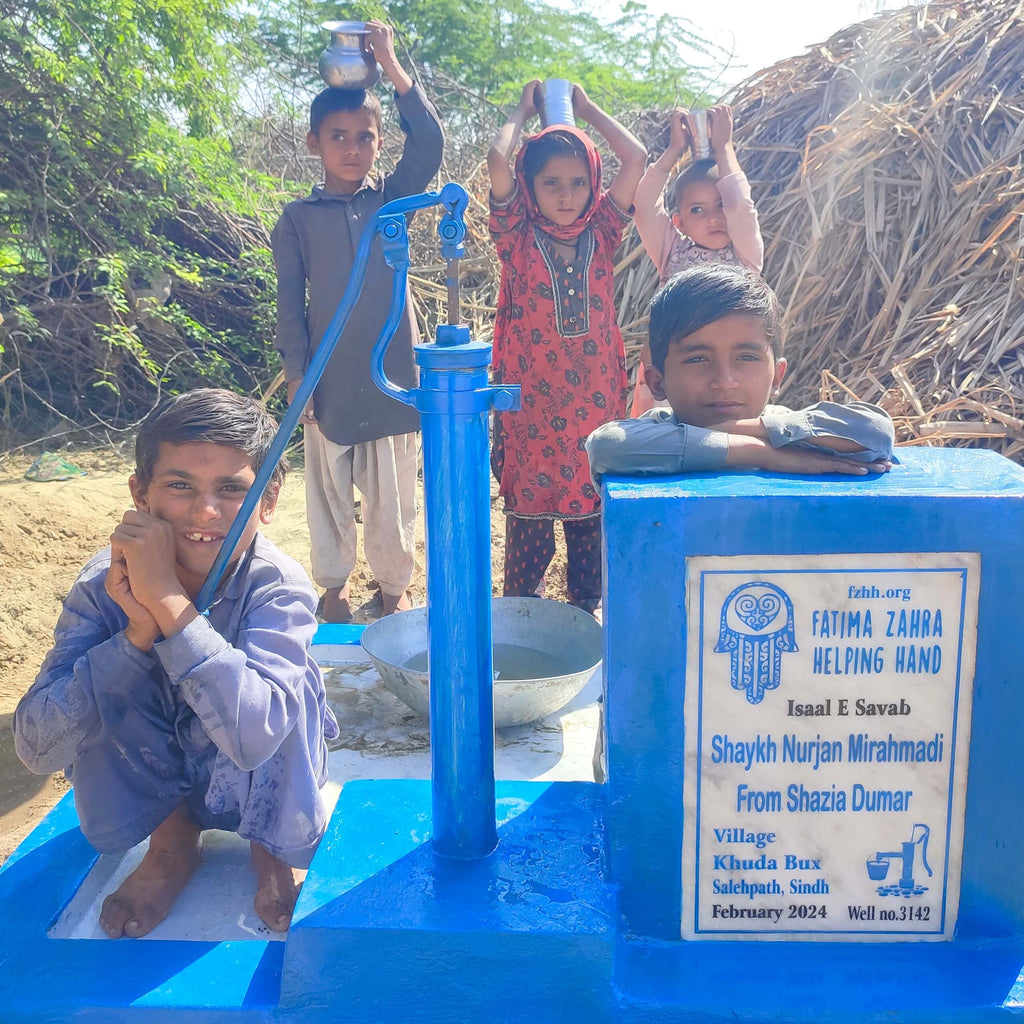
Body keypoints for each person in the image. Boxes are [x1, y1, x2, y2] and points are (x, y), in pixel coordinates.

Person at [13, 389, 339, 939]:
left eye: (232, 489)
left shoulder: (277, 585)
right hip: (159, 769)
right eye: (179, 485)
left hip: (249, 764)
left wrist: (167, 602)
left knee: (284, 691)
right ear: (140, 494)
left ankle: (269, 845)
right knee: (108, 672)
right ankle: (170, 843)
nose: (205, 512)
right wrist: (135, 636)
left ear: (269, 499)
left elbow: (255, 735)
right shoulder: (101, 586)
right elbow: (36, 746)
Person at [272, 19, 444, 622]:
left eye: (365, 137)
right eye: (338, 136)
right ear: (314, 142)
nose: (352, 148)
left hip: (395, 369)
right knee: (326, 491)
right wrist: (299, 376)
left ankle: (394, 591)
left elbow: (427, 144)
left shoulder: (391, 200)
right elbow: (290, 305)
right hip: (328, 375)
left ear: (378, 143)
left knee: (394, 496)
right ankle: (334, 590)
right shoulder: (297, 219)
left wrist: (391, 64)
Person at [487, 79, 646, 614]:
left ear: (593, 186)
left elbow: (636, 157)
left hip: (593, 401)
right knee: (529, 512)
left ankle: (587, 612)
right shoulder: (516, 235)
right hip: (532, 403)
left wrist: (588, 109)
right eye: (551, 181)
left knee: (590, 505)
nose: (565, 194)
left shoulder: (602, 231)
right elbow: (495, 158)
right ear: (530, 184)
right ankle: (522, 619)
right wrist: (521, 108)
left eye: (578, 183)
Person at [586, 264, 894, 481]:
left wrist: (759, 434)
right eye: (697, 359)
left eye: (746, 357)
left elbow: (876, 433)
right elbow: (606, 446)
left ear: (777, 376)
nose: (724, 381)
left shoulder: (785, 429)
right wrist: (759, 453)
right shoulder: (657, 430)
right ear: (657, 382)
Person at [630, 104, 763, 416]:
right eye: (697, 210)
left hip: (724, 383)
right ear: (679, 221)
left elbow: (741, 205)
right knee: (659, 450)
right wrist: (674, 150)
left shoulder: (745, 257)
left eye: (720, 205)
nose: (714, 217)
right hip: (667, 383)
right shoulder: (671, 251)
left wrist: (723, 148)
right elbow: (644, 204)